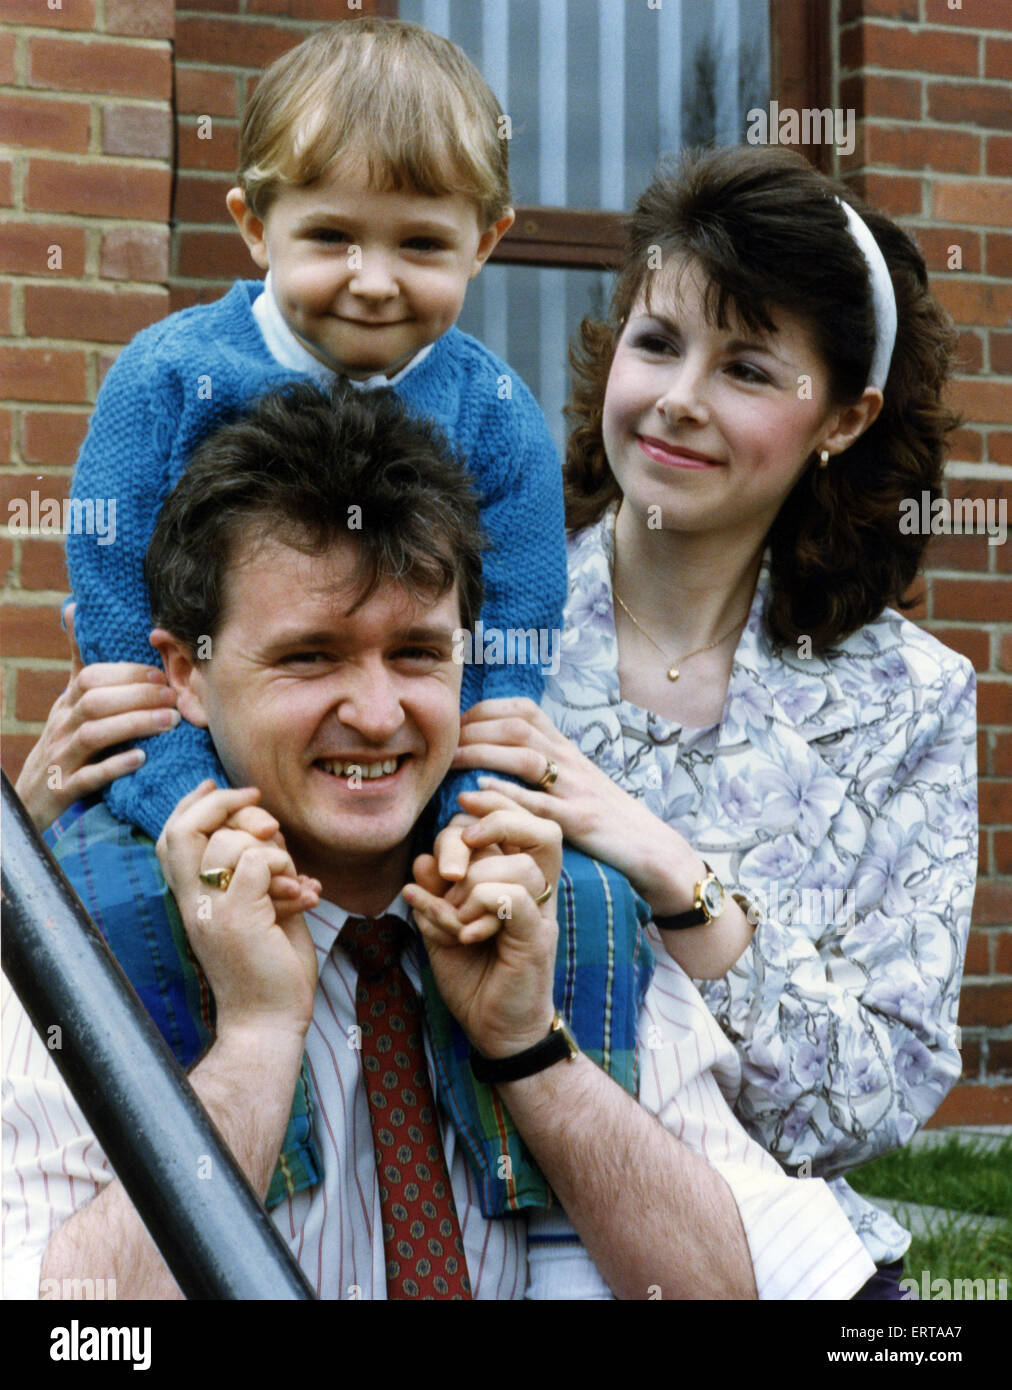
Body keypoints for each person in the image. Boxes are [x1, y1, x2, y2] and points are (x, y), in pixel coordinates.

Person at [3, 381, 875, 1301]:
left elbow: (724, 1294)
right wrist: (256, 1040)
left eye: (417, 653)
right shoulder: (83, 939)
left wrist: (529, 1049)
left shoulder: (563, 908)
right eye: (310, 656)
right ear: (186, 673)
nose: (380, 715)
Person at [451, 145, 977, 1295]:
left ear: (843, 416)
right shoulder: (473, 620)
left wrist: (673, 877)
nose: (678, 398)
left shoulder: (908, 701)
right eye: (656, 342)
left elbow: (871, 1100)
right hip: (466, 1237)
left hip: (768, 1255)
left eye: (744, 367)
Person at [64, 17, 565, 846]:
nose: (374, 282)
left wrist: (467, 818)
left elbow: (511, 646)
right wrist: (189, 803)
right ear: (257, 226)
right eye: (333, 237)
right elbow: (117, 613)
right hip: (169, 796)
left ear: (484, 242)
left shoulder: (498, 415)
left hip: (397, 809)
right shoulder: (167, 376)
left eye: (422, 244)